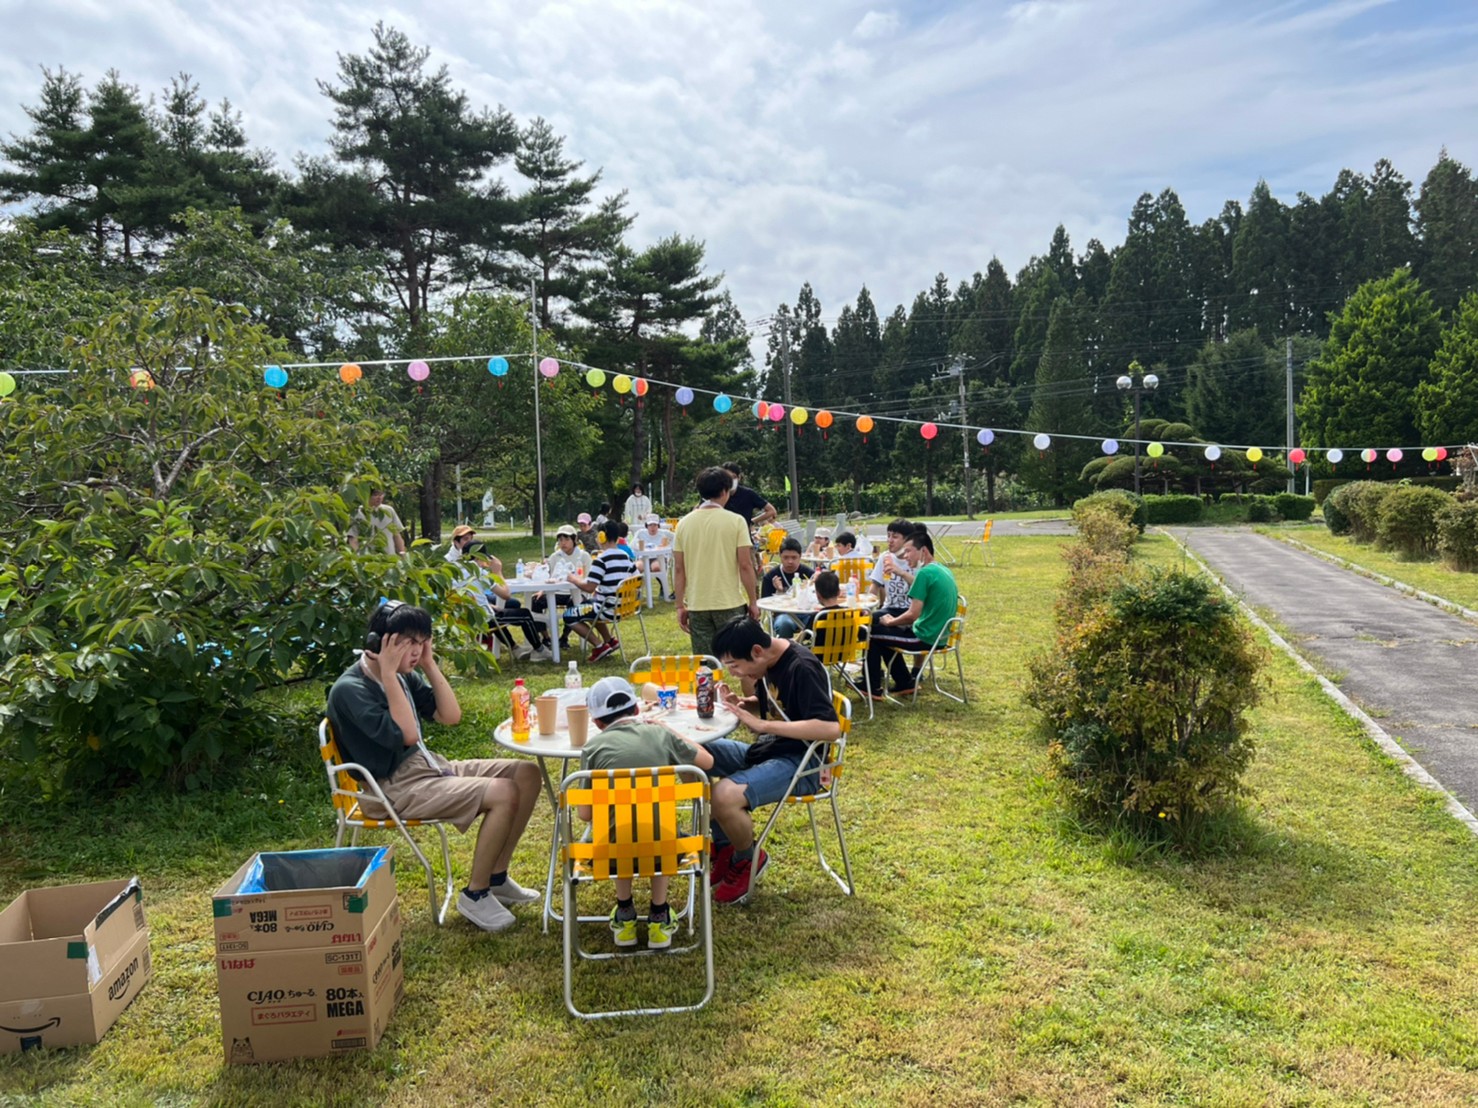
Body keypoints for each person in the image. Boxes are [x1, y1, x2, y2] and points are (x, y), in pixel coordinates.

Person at [326, 601, 541, 933]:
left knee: (526, 774)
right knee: (503, 791)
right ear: (379, 643)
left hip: (427, 768)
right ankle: (475, 894)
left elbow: (450, 716)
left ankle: (496, 878)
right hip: (390, 788)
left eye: (421, 641)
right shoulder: (350, 690)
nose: (416, 650)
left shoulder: (403, 676)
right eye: (408, 642)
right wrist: (387, 673)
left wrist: (428, 665)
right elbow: (409, 735)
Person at [707, 618, 839, 903]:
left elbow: (830, 728)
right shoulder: (770, 661)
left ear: (756, 651)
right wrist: (744, 705)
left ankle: (746, 859)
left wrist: (764, 726)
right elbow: (785, 708)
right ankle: (725, 844)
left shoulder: (800, 667)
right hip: (772, 751)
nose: (734, 673)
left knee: (722, 795)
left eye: (735, 666)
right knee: (699, 752)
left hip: (804, 764)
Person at [578, 677, 715, 949]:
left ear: (596, 723)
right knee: (659, 831)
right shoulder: (661, 735)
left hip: (610, 856)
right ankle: (659, 914)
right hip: (666, 851)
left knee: (621, 831)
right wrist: (667, 729)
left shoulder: (591, 749)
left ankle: (625, 914)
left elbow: (584, 814)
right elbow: (707, 761)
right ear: (638, 710)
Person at [673, 466, 760, 656]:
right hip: (728, 601)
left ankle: (710, 687)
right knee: (742, 658)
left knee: (706, 663)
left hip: (697, 604)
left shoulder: (683, 524)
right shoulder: (736, 521)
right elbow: (745, 565)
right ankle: (751, 688)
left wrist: (680, 605)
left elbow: (679, 569)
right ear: (725, 490)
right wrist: (753, 600)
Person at [865, 527, 959, 700]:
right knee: (883, 635)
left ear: (923, 551)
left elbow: (912, 614)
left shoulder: (924, 573)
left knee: (870, 633)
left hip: (926, 637)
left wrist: (890, 622)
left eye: (908, 551)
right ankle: (904, 682)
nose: (905, 556)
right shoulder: (942, 569)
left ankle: (871, 687)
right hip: (940, 635)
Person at [446, 527, 550, 660]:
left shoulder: (456, 569)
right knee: (524, 614)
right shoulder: (479, 572)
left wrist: (489, 605)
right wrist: (498, 571)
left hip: (464, 616)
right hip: (483, 618)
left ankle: (515, 648)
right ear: (480, 557)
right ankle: (539, 650)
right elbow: (506, 594)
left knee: (497, 612)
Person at [564, 525, 635, 661]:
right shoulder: (625, 556)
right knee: (588, 604)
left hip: (609, 609)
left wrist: (573, 578)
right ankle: (609, 641)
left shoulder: (601, 560)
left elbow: (589, 587)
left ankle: (599, 645)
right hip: (626, 607)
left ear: (602, 536)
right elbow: (635, 577)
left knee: (569, 616)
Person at [761, 537, 814, 640]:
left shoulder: (809, 574)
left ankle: (811, 650)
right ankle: (786, 651)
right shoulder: (771, 576)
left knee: (819, 621)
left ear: (800, 557)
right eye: (786, 557)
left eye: (794, 557)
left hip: (806, 613)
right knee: (784, 624)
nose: (790, 561)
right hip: (783, 614)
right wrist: (779, 592)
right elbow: (765, 604)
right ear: (780, 556)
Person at [868, 518, 917, 614]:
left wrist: (901, 572)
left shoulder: (916, 559)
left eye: (895, 537)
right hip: (889, 608)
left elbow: (921, 586)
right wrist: (867, 607)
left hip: (911, 610)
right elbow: (875, 585)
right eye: (888, 536)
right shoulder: (885, 557)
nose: (889, 540)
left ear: (907, 540)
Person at [348, 487, 406, 555]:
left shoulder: (389, 510)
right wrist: (359, 557)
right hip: (368, 558)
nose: (379, 497)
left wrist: (402, 553)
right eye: (375, 495)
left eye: (381, 494)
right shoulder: (357, 513)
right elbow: (353, 539)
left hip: (389, 557)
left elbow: (396, 535)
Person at [719, 461, 777, 529]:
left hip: (744, 535)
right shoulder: (718, 495)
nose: (730, 481)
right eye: (727, 478)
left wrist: (752, 521)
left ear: (739, 477)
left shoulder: (748, 494)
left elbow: (771, 510)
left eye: (733, 477)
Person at [636, 513, 675, 599]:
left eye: (655, 525)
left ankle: (663, 587)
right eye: (650, 525)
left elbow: (676, 537)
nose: (653, 527)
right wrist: (639, 547)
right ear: (647, 526)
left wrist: (670, 547)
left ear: (658, 525)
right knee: (637, 567)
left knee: (656, 567)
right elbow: (633, 544)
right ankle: (636, 590)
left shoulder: (664, 533)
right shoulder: (641, 533)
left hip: (658, 557)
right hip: (644, 557)